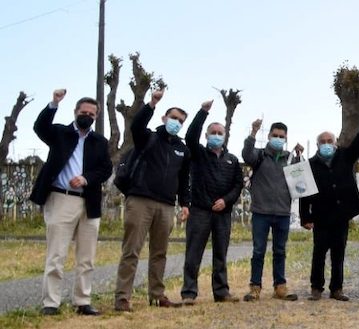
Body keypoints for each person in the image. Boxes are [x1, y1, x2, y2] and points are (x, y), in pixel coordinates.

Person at [31, 89, 112, 316]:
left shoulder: (99, 141)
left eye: (92, 113)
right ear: (76, 112)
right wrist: (54, 103)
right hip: (61, 199)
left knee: (87, 257)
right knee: (56, 255)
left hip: (89, 202)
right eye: (83, 111)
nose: (87, 115)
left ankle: (82, 300)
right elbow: (40, 127)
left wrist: (87, 179)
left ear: (96, 117)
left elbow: (106, 169)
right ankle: (51, 303)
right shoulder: (59, 133)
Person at [114, 89, 191, 311]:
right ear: (164, 118)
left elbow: (184, 178)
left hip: (167, 205)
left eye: (180, 121)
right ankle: (122, 298)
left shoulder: (182, 149)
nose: (176, 122)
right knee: (131, 251)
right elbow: (135, 126)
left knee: (160, 253)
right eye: (173, 118)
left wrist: (185, 203)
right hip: (140, 201)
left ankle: (157, 295)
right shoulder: (147, 137)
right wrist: (151, 103)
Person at [298, 105, 359, 301]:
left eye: (329, 141)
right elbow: (304, 194)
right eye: (322, 142)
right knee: (319, 253)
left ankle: (337, 289)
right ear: (317, 145)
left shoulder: (345, 157)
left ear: (335, 143)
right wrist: (305, 217)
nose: (326, 144)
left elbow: (358, 143)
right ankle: (316, 288)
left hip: (341, 214)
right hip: (321, 215)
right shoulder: (310, 165)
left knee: (338, 254)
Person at [180, 100, 244, 305]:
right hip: (199, 211)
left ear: (225, 137)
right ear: (207, 136)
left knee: (221, 254)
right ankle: (189, 293)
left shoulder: (232, 160)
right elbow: (190, 137)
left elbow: (238, 185)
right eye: (213, 132)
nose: (217, 135)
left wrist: (226, 201)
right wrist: (202, 112)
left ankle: (221, 291)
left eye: (220, 132)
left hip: (222, 214)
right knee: (193, 253)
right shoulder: (197, 153)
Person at [242, 118, 303, 302]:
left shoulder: (289, 158)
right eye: (274, 135)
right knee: (258, 251)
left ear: (286, 138)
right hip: (261, 211)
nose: (278, 138)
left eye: (281, 136)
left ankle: (280, 287)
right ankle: (255, 288)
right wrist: (253, 132)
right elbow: (246, 155)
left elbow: (300, 184)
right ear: (268, 136)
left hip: (283, 212)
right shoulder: (259, 156)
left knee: (280, 251)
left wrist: (299, 156)